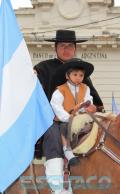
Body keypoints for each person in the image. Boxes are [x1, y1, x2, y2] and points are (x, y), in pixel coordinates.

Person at [34, 29, 104, 194]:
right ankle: (56, 182)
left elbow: (94, 100)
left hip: (80, 120)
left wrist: (94, 108)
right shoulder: (43, 68)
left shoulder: (80, 72)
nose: (66, 49)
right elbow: (36, 96)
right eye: (62, 46)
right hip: (53, 120)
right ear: (55, 48)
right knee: (52, 133)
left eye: (70, 46)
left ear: (75, 49)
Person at [50, 58, 96, 166]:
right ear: (67, 76)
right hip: (65, 118)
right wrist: (67, 117)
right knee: (64, 127)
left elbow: (88, 100)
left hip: (82, 116)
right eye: (75, 74)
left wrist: (88, 108)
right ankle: (67, 150)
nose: (78, 78)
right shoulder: (60, 90)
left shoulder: (86, 88)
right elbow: (56, 106)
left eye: (81, 75)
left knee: (96, 122)